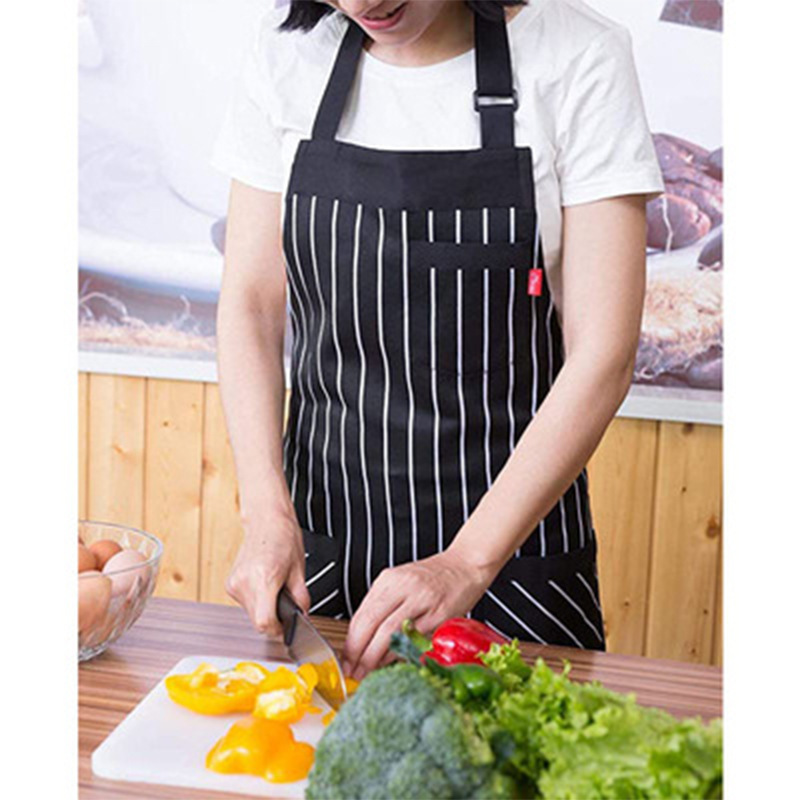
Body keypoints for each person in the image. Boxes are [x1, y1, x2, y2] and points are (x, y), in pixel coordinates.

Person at [212, 0, 664, 680]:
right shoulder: (288, 56)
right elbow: (250, 305)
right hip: (328, 567)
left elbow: (604, 354)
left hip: (515, 573)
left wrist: (465, 563)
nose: (362, 3)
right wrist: (267, 516)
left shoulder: (577, 57)